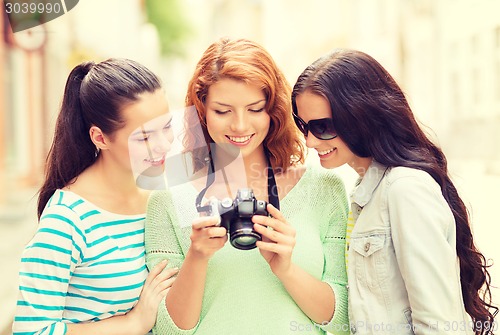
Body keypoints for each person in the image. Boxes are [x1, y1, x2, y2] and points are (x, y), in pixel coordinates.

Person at [145, 37, 350, 335]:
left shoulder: (324, 189)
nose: (240, 126)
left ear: (274, 110)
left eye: (255, 109)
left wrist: (286, 269)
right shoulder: (168, 198)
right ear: (201, 111)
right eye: (223, 111)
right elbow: (167, 329)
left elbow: (342, 320)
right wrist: (197, 257)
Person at [291, 49, 498, 334]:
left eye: (323, 127)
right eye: (304, 126)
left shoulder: (405, 190)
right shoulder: (366, 194)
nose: (311, 141)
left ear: (360, 115)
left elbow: (439, 324)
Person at [12, 58, 178, 335]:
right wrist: (132, 323)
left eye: (167, 126)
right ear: (100, 138)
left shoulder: (162, 195)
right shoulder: (68, 219)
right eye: (145, 137)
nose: (163, 145)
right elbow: (31, 331)